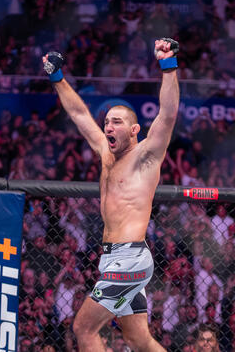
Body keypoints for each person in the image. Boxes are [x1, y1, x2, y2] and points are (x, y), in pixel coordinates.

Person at [42, 38, 180, 351]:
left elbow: (168, 114)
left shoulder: (147, 156)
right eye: (107, 122)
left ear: (134, 130)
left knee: (84, 328)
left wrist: (168, 65)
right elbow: (79, 114)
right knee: (138, 339)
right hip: (113, 257)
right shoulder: (105, 153)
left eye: (116, 122)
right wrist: (57, 78)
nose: (108, 127)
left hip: (130, 258)